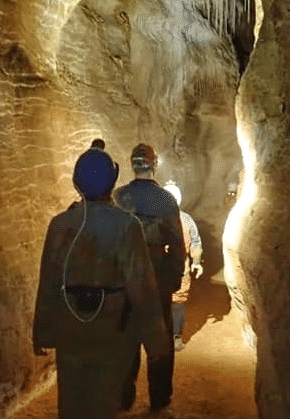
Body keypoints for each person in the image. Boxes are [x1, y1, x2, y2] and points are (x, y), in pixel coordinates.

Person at [33, 147, 168, 419]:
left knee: (71, 401)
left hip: (71, 328)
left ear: (76, 182)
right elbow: (141, 287)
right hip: (112, 330)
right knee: (104, 402)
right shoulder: (125, 225)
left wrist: (42, 330)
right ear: (112, 181)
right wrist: (156, 341)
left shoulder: (60, 224)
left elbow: (48, 281)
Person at [113, 143, 185, 413]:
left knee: (124, 337)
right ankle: (159, 399)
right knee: (160, 341)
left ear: (132, 164)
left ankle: (122, 397)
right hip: (156, 276)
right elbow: (177, 244)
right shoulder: (166, 200)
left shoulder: (119, 197)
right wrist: (174, 278)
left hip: (123, 277)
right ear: (154, 164)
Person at [163, 181, 203, 351]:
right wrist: (195, 263)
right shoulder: (186, 219)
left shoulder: (154, 219)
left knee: (160, 302)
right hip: (181, 268)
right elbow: (196, 243)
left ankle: (160, 337)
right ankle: (176, 339)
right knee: (177, 303)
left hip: (159, 268)